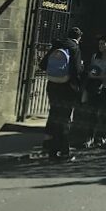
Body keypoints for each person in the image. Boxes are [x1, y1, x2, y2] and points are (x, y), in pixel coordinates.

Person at [39, 26, 84, 162]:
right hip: (66, 88)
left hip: (52, 85)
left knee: (54, 115)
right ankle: (64, 151)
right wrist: (78, 86)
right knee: (64, 119)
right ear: (79, 37)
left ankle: (50, 149)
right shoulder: (75, 48)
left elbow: (42, 65)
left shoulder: (57, 45)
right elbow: (76, 71)